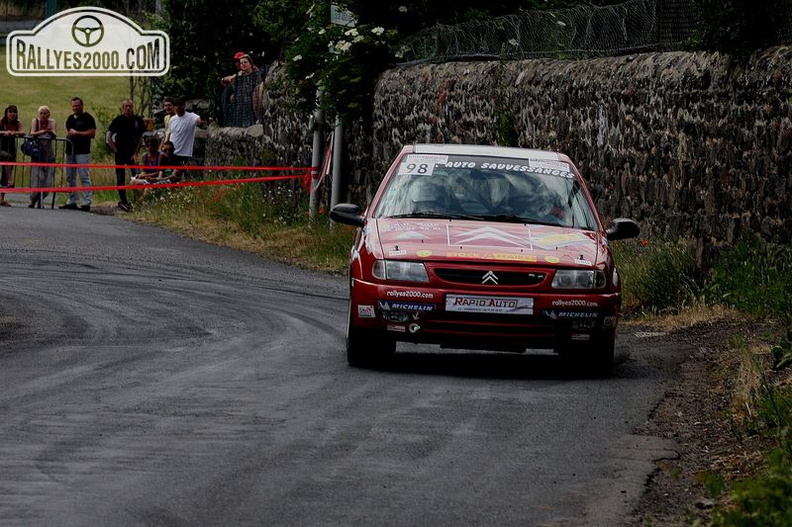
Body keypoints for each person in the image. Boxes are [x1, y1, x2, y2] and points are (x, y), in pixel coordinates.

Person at [107, 99, 146, 212]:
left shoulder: (137, 120)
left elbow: (140, 137)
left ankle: (137, 200)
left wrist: (136, 153)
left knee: (137, 175)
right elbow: (109, 134)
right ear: (122, 108)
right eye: (126, 106)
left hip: (132, 152)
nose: (128, 108)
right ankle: (123, 200)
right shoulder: (118, 120)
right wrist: (114, 148)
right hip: (120, 152)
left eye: (130, 106)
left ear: (132, 107)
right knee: (120, 177)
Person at [61, 97, 96, 212]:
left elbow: (92, 133)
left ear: (82, 106)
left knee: (84, 176)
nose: (75, 108)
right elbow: (68, 131)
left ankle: (86, 202)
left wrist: (77, 133)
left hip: (83, 151)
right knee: (70, 177)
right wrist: (71, 134)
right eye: (73, 106)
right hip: (70, 150)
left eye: (77, 105)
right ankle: (72, 200)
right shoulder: (70, 118)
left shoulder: (88, 118)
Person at [223, 53, 264, 127]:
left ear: (250, 64)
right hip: (240, 108)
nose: (243, 64)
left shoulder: (256, 75)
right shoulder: (238, 77)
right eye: (241, 63)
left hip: (252, 106)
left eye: (245, 62)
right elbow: (225, 82)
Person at [28, 106, 57, 208]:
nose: (43, 115)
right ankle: (33, 200)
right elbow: (32, 133)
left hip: (49, 156)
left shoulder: (52, 122)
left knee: (48, 182)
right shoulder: (35, 121)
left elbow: (54, 134)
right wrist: (44, 132)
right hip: (37, 155)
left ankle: (41, 200)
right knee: (38, 180)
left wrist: (50, 132)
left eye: (45, 113)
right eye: (41, 113)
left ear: (49, 114)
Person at [0, 105, 25, 206]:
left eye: (14, 112)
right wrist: (5, 132)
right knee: (7, 157)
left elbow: (23, 132)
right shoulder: (2, 121)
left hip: (11, 149)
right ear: (6, 113)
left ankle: (1, 198)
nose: (12, 114)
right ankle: (11, 179)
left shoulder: (17, 123)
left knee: (5, 174)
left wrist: (14, 133)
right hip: (1, 147)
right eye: (10, 112)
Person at [168, 98, 202, 166]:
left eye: (180, 105)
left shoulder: (191, 116)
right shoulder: (172, 119)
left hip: (184, 152)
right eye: (176, 105)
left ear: (184, 106)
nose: (178, 107)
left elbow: (199, 120)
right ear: (174, 107)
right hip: (173, 151)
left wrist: (199, 121)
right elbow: (171, 134)